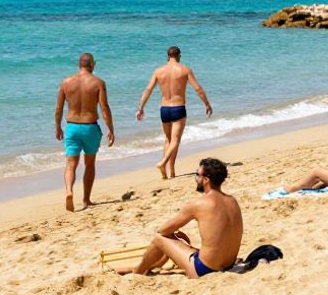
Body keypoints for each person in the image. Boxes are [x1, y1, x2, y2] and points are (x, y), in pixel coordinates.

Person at [115, 157, 243, 279]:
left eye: (197, 174)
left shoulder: (199, 204)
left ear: (206, 180)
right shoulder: (232, 201)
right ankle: (150, 266)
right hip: (228, 264)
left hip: (205, 270)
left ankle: (137, 272)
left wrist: (174, 236)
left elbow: (162, 231)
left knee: (159, 238)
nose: (196, 178)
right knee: (175, 240)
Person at [137, 46, 213, 180]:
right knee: (175, 140)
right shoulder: (185, 70)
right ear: (179, 56)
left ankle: (170, 172)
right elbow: (198, 89)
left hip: (164, 109)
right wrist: (207, 104)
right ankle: (163, 163)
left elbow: (148, 89)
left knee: (169, 140)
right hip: (178, 108)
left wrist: (141, 107)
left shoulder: (158, 71)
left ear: (168, 56)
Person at [54, 52, 114, 212]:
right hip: (90, 127)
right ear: (93, 64)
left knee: (71, 164)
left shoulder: (66, 82)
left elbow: (59, 108)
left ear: (79, 64)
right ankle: (86, 199)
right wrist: (110, 128)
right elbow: (104, 108)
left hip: (72, 127)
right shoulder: (98, 83)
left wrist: (58, 126)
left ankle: (69, 191)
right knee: (89, 163)